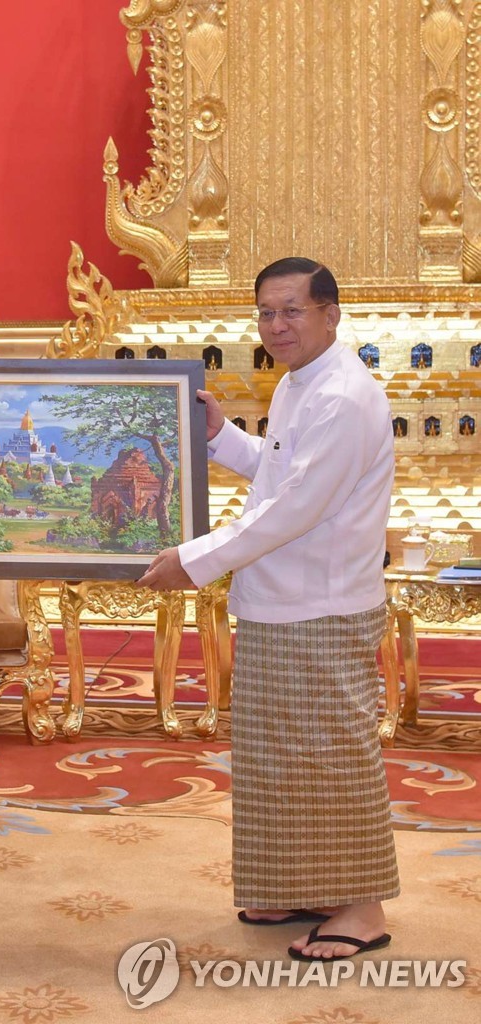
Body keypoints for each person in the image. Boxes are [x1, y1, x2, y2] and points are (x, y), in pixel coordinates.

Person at [138, 257, 399, 963]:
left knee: (331, 753)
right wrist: (221, 435)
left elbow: (294, 510)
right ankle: (303, 884)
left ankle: (361, 905)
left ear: (330, 314)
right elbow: (281, 474)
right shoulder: (299, 384)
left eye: (291, 311)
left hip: (319, 605)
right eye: (265, 313)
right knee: (278, 756)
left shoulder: (342, 396)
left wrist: (191, 563)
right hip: (281, 602)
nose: (276, 326)